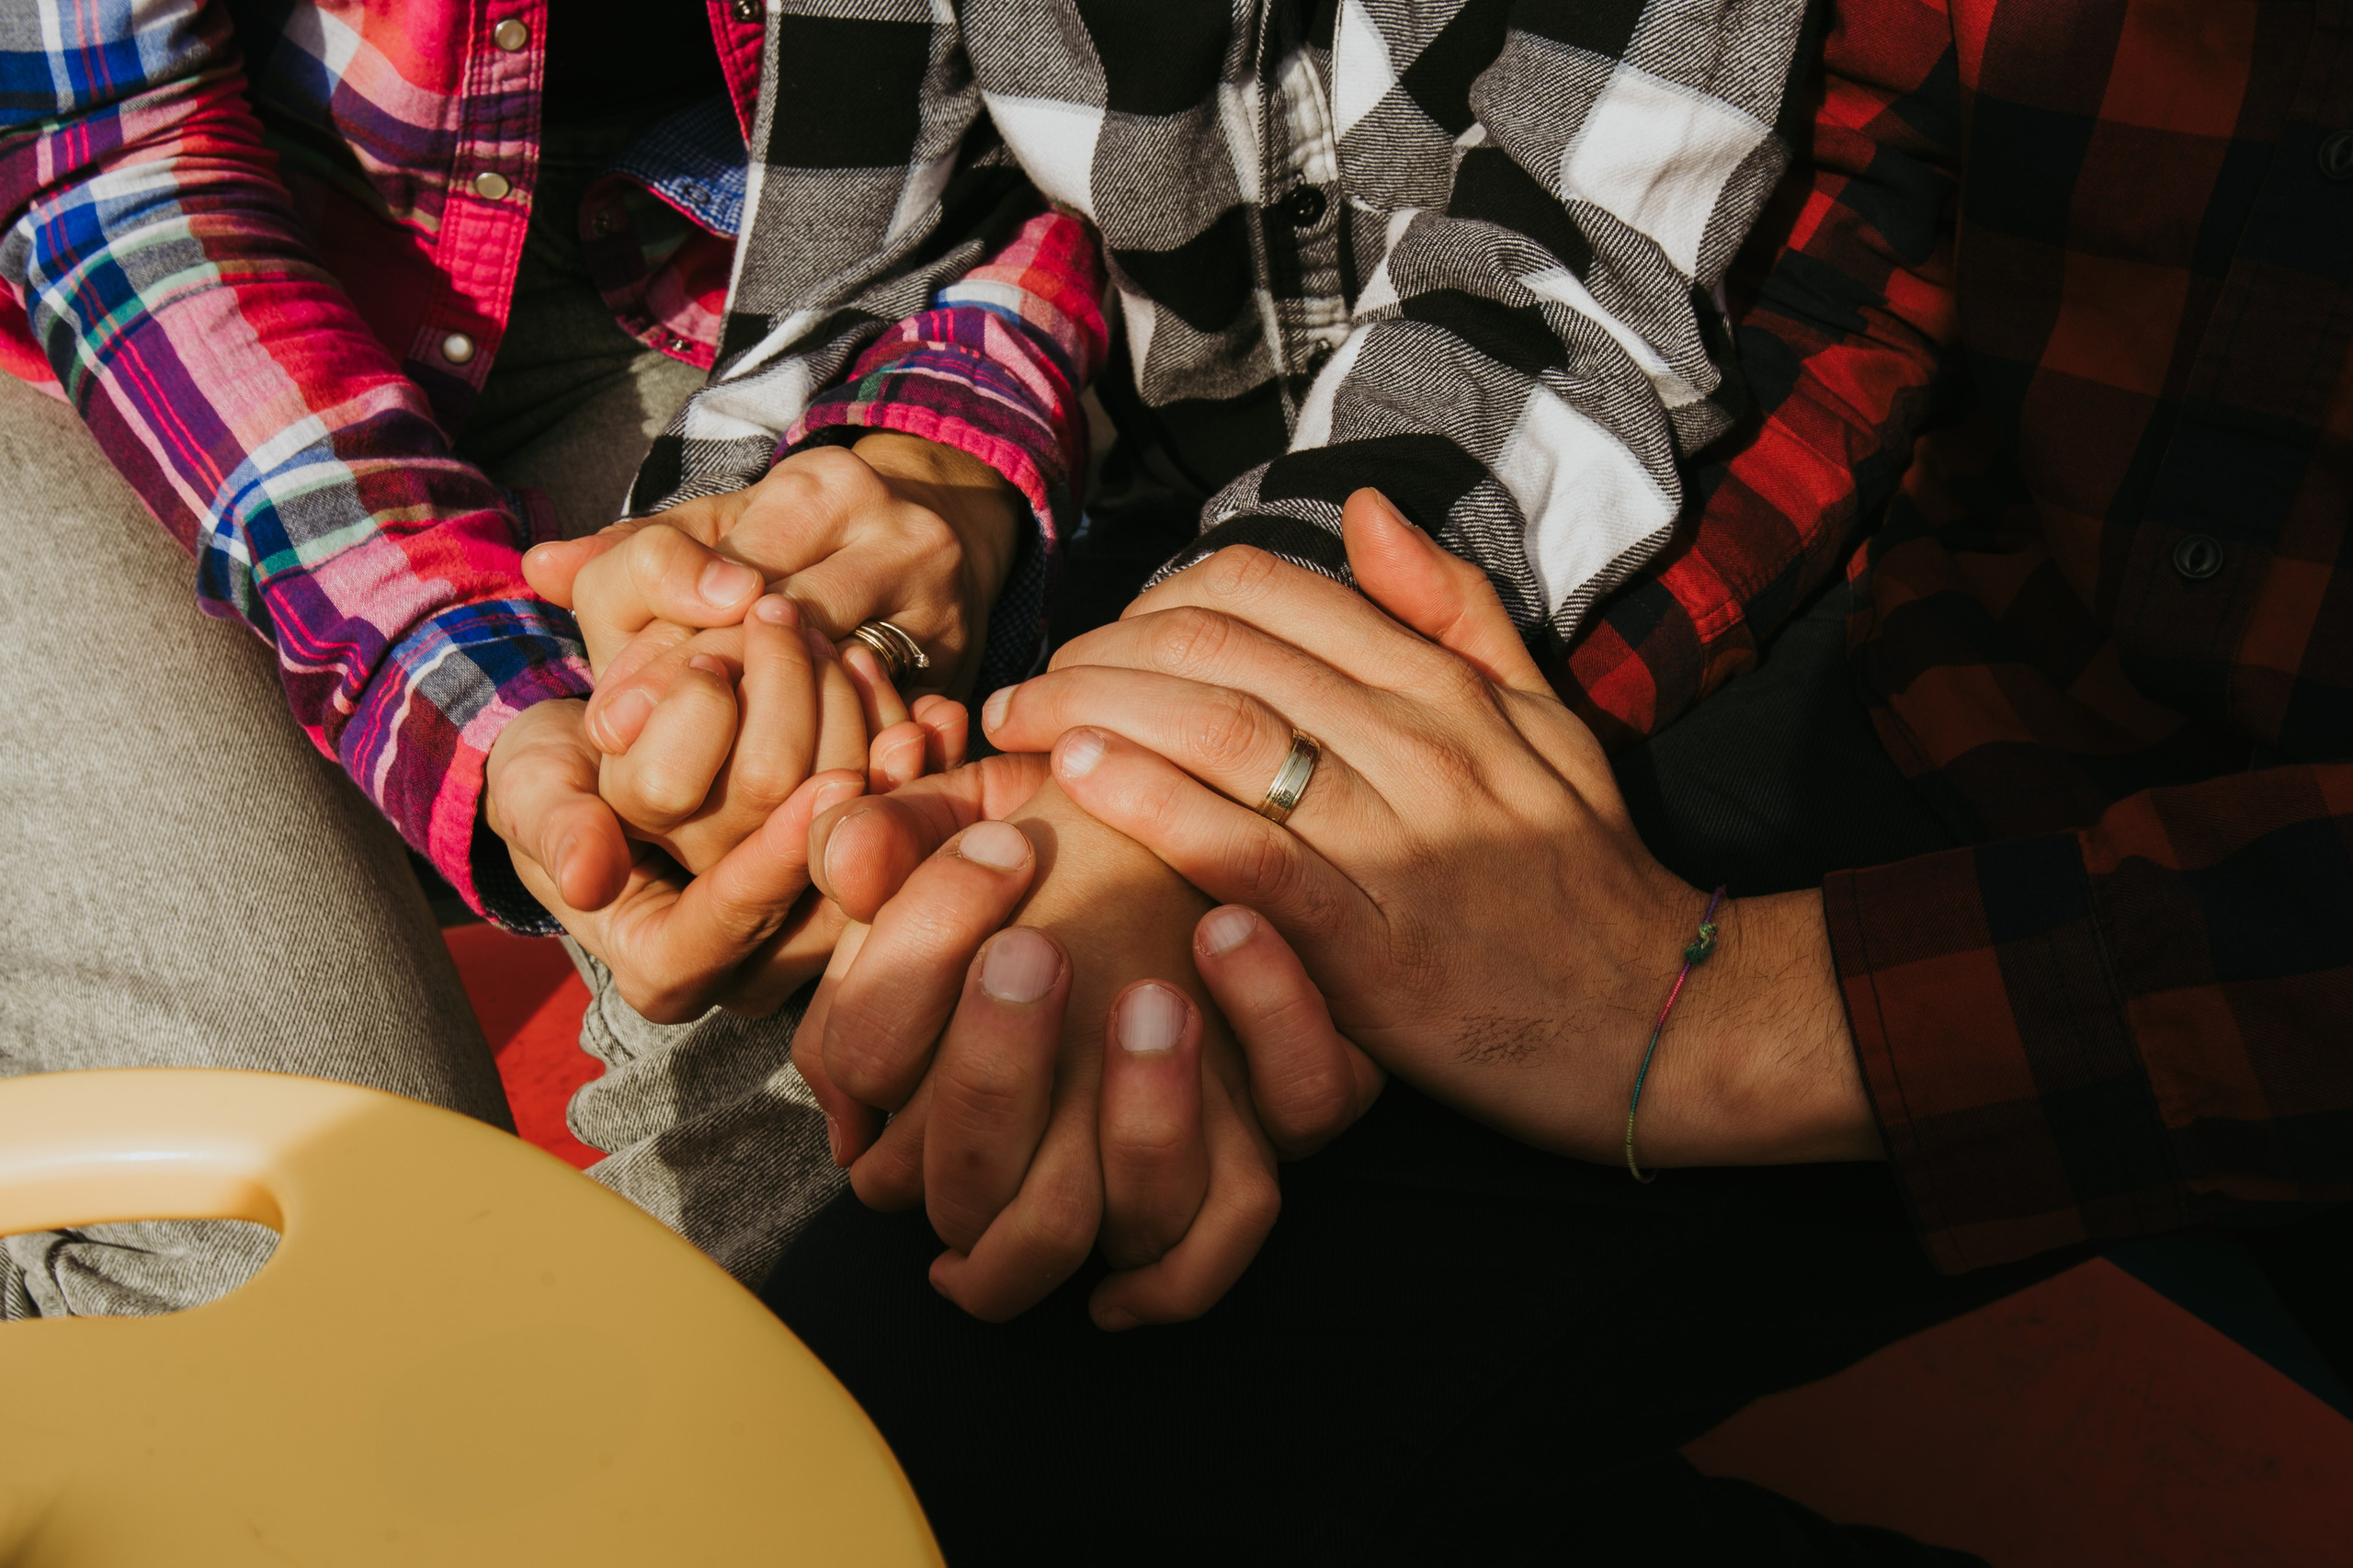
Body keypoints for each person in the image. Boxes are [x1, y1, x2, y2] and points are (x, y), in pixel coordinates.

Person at [713, 2, 2353, 1560]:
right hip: (1982, 693)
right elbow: (1846, 251)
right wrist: (1260, 796)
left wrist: (1712, 1013)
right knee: (944, 1406)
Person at [0, 0, 1102, 1310]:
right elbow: (87, 140)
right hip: (106, 310)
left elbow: (1170, 100)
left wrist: (936, 443)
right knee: (304, 1272)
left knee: (840, 1010)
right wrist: (477, 697)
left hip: (756, 258)